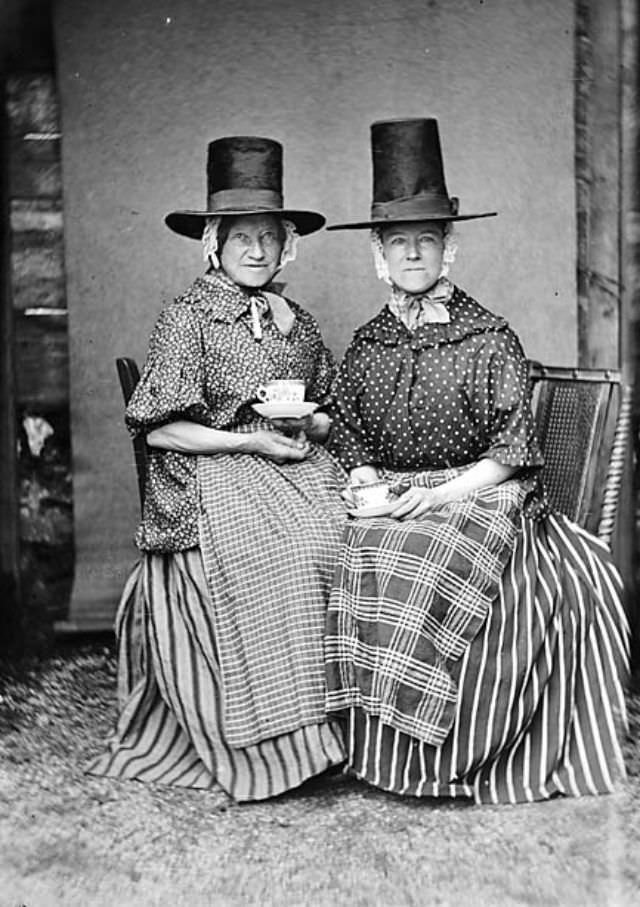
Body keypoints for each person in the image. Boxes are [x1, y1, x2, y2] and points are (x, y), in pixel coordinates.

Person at [323, 118, 629, 804]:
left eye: (425, 240)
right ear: (377, 254)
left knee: (429, 551)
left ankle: (441, 755)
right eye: (397, 242)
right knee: (353, 543)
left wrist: (440, 496)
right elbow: (345, 428)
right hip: (400, 494)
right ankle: (374, 749)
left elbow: (511, 453)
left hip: (483, 493)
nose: (412, 254)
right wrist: (367, 475)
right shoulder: (367, 344)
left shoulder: (489, 338)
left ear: (448, 249)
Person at [87, 136, 347, 801]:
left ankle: (348, 729)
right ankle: (284, 744)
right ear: (215, 243)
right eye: (242, 237)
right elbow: (158, 426)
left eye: (269, 236)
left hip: (292, 460)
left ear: (287, 244)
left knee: (343, 534)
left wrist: (306, 425)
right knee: (289, 549)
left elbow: (329, 413)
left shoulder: (300, 324)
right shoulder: (188, 317)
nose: (256, 250)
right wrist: (251, 443)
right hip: (214, 467)